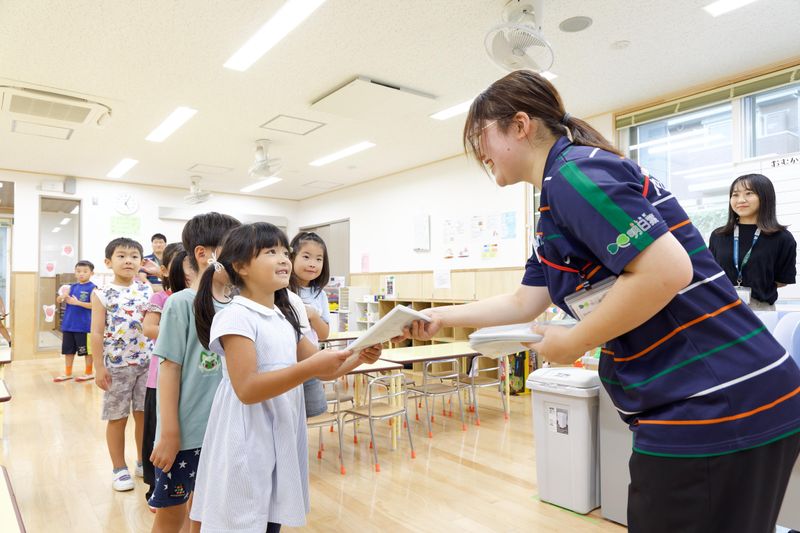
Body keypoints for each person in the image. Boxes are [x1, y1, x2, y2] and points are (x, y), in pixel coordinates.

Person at [400, 70, 800, 533]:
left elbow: (667, 270)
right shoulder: (556, 202)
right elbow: (523, 301)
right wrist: (437, 316)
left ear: (521, 125)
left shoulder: (574, 176)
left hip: (714, 401)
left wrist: (572, 343)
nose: (478, 152)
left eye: (480, 136)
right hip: (726, 393)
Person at [189, 222, 381, 532]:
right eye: (270, 252)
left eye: (284, 251)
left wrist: (360, 356)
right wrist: (310, 368)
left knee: (271, 516)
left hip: (281, 430)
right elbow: (247, 389)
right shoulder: (236, 316)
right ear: (241, 266)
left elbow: (325, 369)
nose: (283, 259)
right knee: (244, 517)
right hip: (248, 433)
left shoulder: (283, 315)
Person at [148, 213, 239, 533]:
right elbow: (169, 369)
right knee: (172, 514)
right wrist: (169, 432)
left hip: (225, 431)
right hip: (186, 435)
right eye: (234, 250)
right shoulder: (181, 303)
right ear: (203, 254)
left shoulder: (240, 305)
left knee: (205, 513)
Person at [90, 238, 153, 492]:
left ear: (141, 262)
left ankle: (142, 461)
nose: (128, 261)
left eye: (134, 256)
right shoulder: (101, 293)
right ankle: (119, 468)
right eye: (122, 256)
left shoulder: (148, 290)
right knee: (117, 417)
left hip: (147, 363)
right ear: (108, 262)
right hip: (117, 366)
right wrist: (98, 366)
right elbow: (96, 332)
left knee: (144, 416)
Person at [141, 243, 193, 506]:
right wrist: (180, 331)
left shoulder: (199, 299)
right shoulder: (162, 298)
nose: (189, 272)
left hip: (190, 381)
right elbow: (148, 328)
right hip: (159, 379)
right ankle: (155, 486)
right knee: (156, 435)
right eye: (182, 266)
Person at [709, 173, 796, 311]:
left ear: (765, 197)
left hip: (760, 309)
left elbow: (782, 280)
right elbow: (711, 272)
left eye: (749, 193)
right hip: (720, 307)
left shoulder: (782, 238)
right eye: (735, 195)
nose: (740, 200)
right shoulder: (718, 235)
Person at [289, 231, 332, 418]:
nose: (313, 263)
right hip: (286, 363)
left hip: (311, 362)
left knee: (312, 414)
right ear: (292, 257)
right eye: (306, 257)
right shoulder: (281, 289)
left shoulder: (320, 294)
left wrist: (313, 315)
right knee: (287, 416)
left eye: (319, 259)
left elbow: (324, 334)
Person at [54, 260, 96, 382]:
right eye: (78, 271)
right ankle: (68, 373)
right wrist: (62, 297)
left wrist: (77, 302)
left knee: (87, 351)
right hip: (68, 325)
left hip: (84, 326)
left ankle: (89, 373)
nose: (81, 274)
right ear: (75, 273)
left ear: (91, 273)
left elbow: (94, 305)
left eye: (85, 271)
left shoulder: (93, 288)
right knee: (68, 351)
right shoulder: (71, 287)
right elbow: (59, 300)